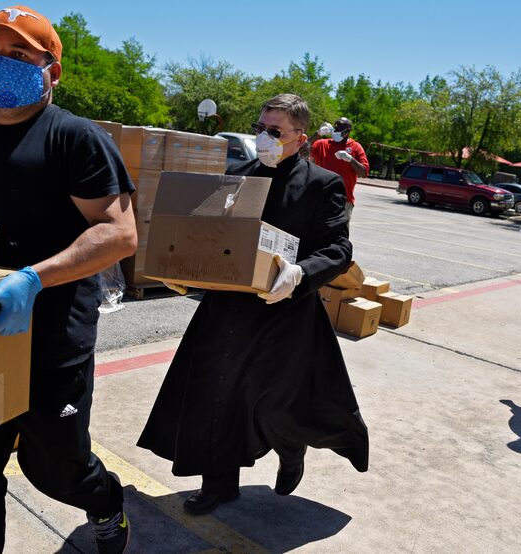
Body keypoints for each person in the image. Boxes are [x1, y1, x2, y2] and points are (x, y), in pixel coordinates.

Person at [0, 6, 137, 553]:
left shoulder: (76, 140)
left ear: (51, 71)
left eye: (18, 55)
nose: (0, 64)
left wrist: (34, 278)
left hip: (50, 339)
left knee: (55, 469)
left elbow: (118, 234)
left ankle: (105, 502)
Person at [138, 94, 369, 515]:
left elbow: (339, 249)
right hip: (228, 310)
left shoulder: (321, 184)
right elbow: (214, 239)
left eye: (275, 132)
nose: (264, 137)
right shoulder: (238, 174)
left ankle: (291, 448)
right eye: (260, 128)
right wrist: (185, 275)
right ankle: (220, 485)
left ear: (300, 138)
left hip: (286, 310)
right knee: (216, 396)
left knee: (275, 402)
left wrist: (300, 274)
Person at [309, 117, 369, 221]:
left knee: (337, 234)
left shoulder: (355, 147)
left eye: (339, 128)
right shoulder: (322, 144)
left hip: (343, 201)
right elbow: (301, 149)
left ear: (347, 131)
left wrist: (350, 159)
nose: (335, 131)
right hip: (318, 197)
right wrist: (317, 134)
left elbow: (364, 172)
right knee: (312, 232)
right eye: (334, 128)